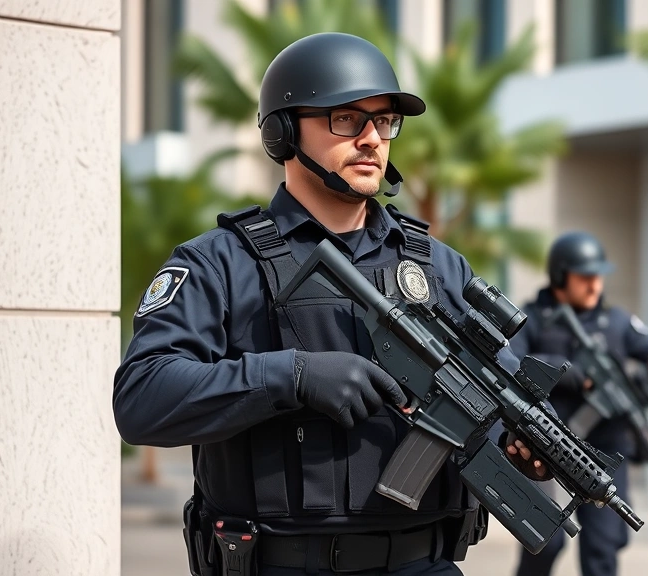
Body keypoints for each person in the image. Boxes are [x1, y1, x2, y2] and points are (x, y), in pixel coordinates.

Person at [113, 33, 547, 576]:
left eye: (384, 121)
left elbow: (504, 393)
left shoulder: (438, 267)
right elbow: (141, 398)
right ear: (284, 131)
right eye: (347, 119)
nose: (372, 139)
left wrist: (520, 444)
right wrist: (291, 377)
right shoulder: (221, 264)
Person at [509, 232, 648, 576]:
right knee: (544, 538)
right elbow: (510, 361)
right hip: (541, 443)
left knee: (604, 545)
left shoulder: (616, 322)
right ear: (560, 276)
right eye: (585, 277)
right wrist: (570, 374)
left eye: (599, 276)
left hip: (604, 448)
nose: (595, 286)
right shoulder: (532, 318)